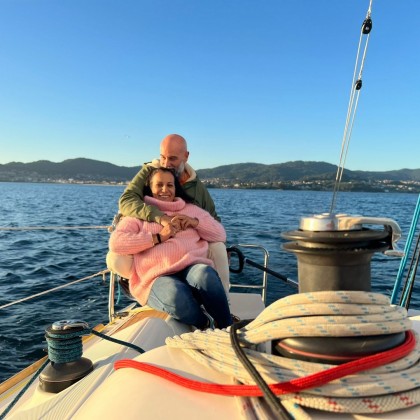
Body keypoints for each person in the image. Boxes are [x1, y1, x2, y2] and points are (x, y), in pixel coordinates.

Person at [109, 167, 232, 329]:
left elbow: (220, 234)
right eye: (159, 185)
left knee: (206, 274)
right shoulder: (140, 214)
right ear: (150, 188)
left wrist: (195, 222)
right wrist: (158, 237)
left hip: (191, 266)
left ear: (176, 188)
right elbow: (116, 242)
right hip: (155, 276)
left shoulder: (190, 209)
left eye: (170, 185)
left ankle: (228, 328)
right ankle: (205, 324)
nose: (165, 190)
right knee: (175, 294)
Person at [109, 134, 230, 295]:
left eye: (172, 158)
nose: (166, 164)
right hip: (153, 242)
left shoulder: (196, 186)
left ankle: (223, 297)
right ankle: (149, 287)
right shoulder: (148, 172)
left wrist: (195, 222)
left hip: (187, 248)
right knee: (115, 258)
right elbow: (126, 200)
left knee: (219, 248)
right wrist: (160, 218)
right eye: (163, 157)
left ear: (186, 157)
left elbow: (213, 219)